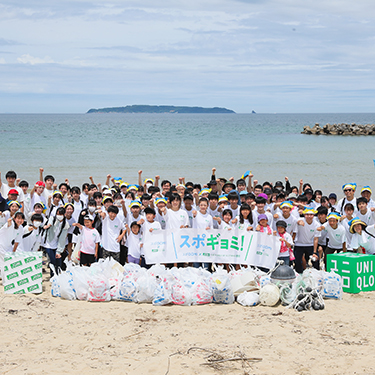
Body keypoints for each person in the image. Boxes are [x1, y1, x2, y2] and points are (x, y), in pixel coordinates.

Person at [43, 206, 70, 275]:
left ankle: (57, 275)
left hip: (56, 244)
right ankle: (53, 275)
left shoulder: (65, 225)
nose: (59, 216)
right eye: (58, 214)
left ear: (64, 215)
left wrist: (59, 251)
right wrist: (48, 225)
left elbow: (62, 239)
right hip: (48, 243)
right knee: (53, 260)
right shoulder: (53, 218)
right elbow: (50, 222)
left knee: (58, 260)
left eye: (61, 214)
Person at [294, 207, 320, 273]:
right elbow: (297, 221)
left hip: (310, 244)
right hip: (299, 244)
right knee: (298, 261)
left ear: (313, 215)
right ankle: (299, 275)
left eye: (311, 215)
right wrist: (299, 222)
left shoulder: (317, 224)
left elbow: (316, 239)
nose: (309, 216)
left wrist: (314, 252)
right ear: (304, 215)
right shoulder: (301, 219)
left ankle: (317, 274)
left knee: (315, 260)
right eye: (307, 214)